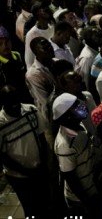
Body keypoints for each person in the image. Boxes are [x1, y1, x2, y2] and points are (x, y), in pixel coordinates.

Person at [0, 85, 50, 217]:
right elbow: (2, 156)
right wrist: (26, 171)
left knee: (45, 203)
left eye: (17, 102)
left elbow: (41, 137)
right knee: (30, 207)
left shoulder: (31, 110)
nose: (16, 107)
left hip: (39, 169)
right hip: (18, 176)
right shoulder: (1, 124)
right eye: (11, 104)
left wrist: (43, 163)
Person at [53, 93, 98, 215]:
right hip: (80, 199)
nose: (82, 107)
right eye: (76, 107)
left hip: (92, 188)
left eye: (79, 103)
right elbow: (70, 177)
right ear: (67, 116)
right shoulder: (65, 145)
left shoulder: (78, 126)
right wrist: (87, 201)